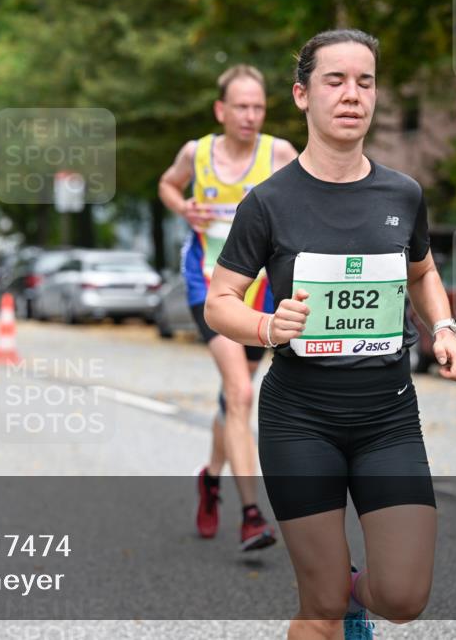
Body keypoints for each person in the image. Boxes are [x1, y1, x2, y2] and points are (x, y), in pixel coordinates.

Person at [205, 29, 456, 639]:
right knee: (319, 609)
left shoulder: (402, 195)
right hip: (300, 418)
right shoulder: (268, 203)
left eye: (365, 81)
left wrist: (448, 329)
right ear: (302, 95)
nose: (352, 94)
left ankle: (351, 595)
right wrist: (268, 325)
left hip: (388, 418)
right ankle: (333, 601)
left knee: (404, 597)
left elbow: (423, 270)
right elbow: (220, 303)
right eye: (335, 80)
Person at [158, 64, 298, 550]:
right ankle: (252, 514)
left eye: (258, 107)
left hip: (261, 291)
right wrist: (183, 207)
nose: (250, 115)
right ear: (221, 110)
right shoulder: (196, 153)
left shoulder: (279, 153)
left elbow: (309, 193)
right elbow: (167, 184)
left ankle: (210, 478)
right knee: (239, 392)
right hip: (208, 285)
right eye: (241, 106)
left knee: (232, 396)